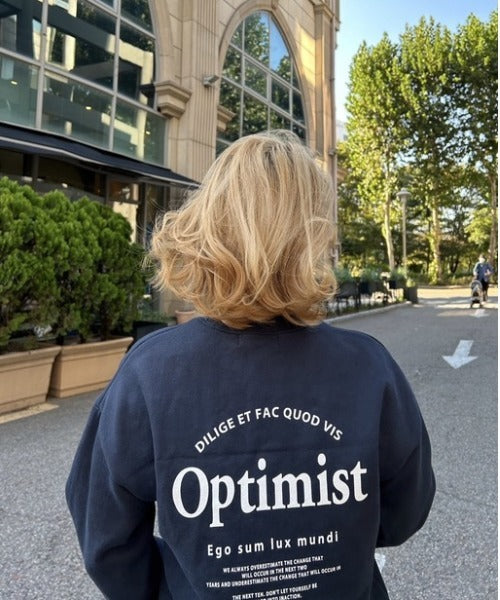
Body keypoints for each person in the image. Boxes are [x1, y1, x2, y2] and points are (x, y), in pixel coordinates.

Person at [66, 131, 435, 600]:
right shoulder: (368, 366)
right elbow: (405, 510)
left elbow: (105, 536)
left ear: (209, 224)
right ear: (314, 234)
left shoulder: (150, 372)